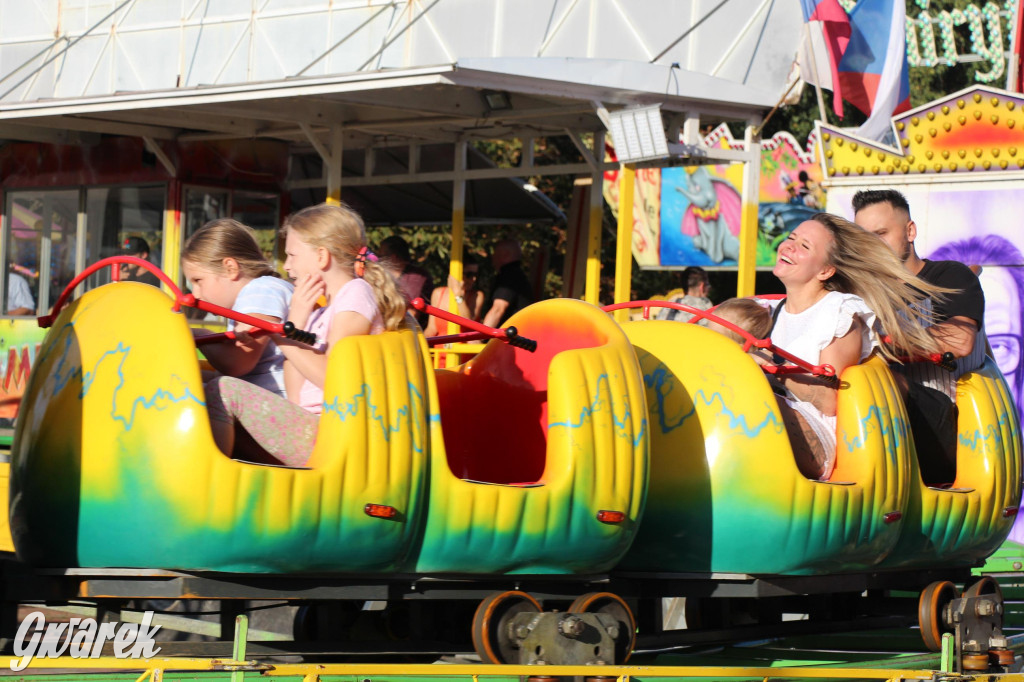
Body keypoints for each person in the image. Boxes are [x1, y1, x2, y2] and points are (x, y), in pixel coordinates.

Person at [203, 203, 407, 466]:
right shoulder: (321, 310)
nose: (286, 266)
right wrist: (296, 321)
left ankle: (212, 478)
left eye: (292, 255)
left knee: (223, 389)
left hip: (334, 432)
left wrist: (280, 336)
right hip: (313, 423)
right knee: (203, 383)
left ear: (321, 257)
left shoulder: (356, 294)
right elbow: (295, 394)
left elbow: (332, 378)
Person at [764, 213, 943, 481]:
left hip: (822, 436)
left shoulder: (840, 311)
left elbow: (828, 401)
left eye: (804, 246)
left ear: (825, 270)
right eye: (791, 238)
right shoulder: (769, 311)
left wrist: (766, 371)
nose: (789, 246)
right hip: (776, 412)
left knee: (747, 406)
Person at [853, 189, 985, 484]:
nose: (873, 246)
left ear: (910, 231)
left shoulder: (949, 276)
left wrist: (878, 345)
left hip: (951, 425)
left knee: (882, 385)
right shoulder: (858, 293)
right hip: (884, 424)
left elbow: (959, 340)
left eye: (881, 233)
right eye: (865, 240)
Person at [182, 219, 294, 397]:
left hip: (278, 404)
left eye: (198, 281)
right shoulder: (257, 293)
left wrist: (198, 334)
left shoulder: (261, 290)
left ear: (230, 268)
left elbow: (237, 363)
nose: (194, 294)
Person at [379, 235, 433, 326]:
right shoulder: (384, 276)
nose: (378, 260)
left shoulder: (416, 277)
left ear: (393, 257)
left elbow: (412, 314)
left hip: (412, 331)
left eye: (380, 256)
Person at [482, 238, 534, 328]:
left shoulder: (509, 276)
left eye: (495, 252)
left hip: (509, 338)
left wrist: (480, 336)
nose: (493, 256)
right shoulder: (518, 275)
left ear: (505, 254)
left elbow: (498, 309)